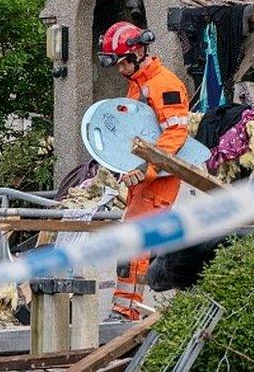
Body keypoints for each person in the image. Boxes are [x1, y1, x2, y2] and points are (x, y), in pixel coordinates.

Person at [97, 21, 189, 320]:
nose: (120, 69)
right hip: (144, 177)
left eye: (123, 62)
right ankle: (138, 306)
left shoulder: (165, 84)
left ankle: (126, 312)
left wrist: (146, 169)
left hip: (159, 179)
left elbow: (174, 136)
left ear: (138, 52)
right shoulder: (138, 82)